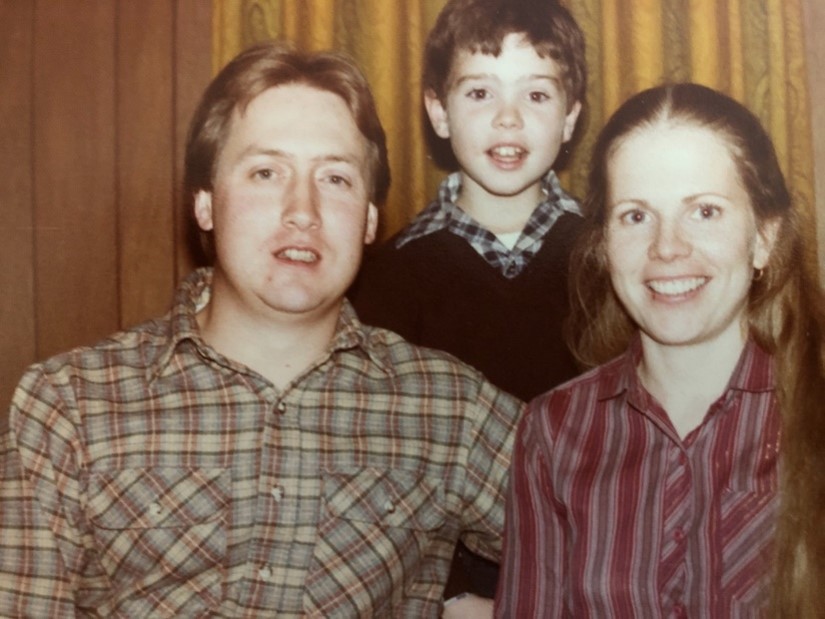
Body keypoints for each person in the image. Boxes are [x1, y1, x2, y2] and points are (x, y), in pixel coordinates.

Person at [0, 43, 525, 618]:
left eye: (335, 178)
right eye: (266, 172)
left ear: (370, 219)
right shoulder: (70, 405)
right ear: (205, 203)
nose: (303, 210)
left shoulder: (449, 408)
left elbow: (597, 543)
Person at [495, 82, 825, 617]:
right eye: (636, 216)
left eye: (705, 212)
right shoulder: (554, 431)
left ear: (764, 237)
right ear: (604, 245)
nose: (667, 247)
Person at [349, 0, 587, 599]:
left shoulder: (615, 261)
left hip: (601, 574)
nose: (508, 120)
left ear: (570, 118)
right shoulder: (386, 281)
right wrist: (450, 596)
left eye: (536, 95)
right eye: (480, 93)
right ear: (439, 111)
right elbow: (380, 467)